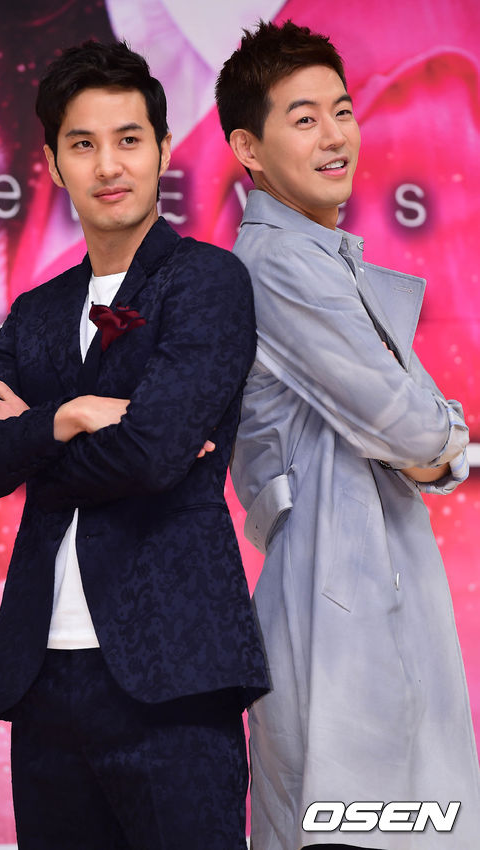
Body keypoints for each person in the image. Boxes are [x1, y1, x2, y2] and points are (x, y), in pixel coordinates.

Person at [0, 40, 269, 850]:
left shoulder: (207, 281)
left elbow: (154, 454)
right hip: (43, 679)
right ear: (53, 164)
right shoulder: (34, 311)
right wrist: (64, 418)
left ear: (162, 148)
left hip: (175, 674)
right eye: (83, 144)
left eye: (128, 139)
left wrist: (27, 440)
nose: (108, 164)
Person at [215, 19, 480, 850]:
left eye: (341, 110)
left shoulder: (327, 256)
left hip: (369, 582)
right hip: (331, 597)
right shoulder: (278, 263)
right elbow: (416, 429)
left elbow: (430, 449)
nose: (335, 137)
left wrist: (434, 443)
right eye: (304, 119)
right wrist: (440, 437)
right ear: (249, 148)